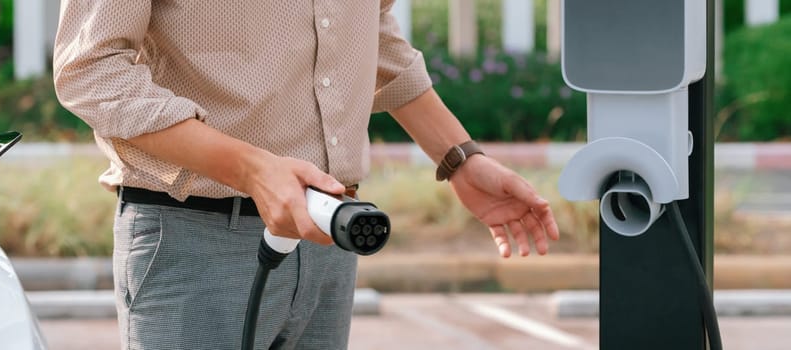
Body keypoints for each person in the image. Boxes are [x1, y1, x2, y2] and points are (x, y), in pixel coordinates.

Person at [54, 1, 561, 348]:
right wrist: (252, 170)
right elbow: (91, 69)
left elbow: (371, 32)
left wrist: (460, 159)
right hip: (195, 243)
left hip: (328, 243)